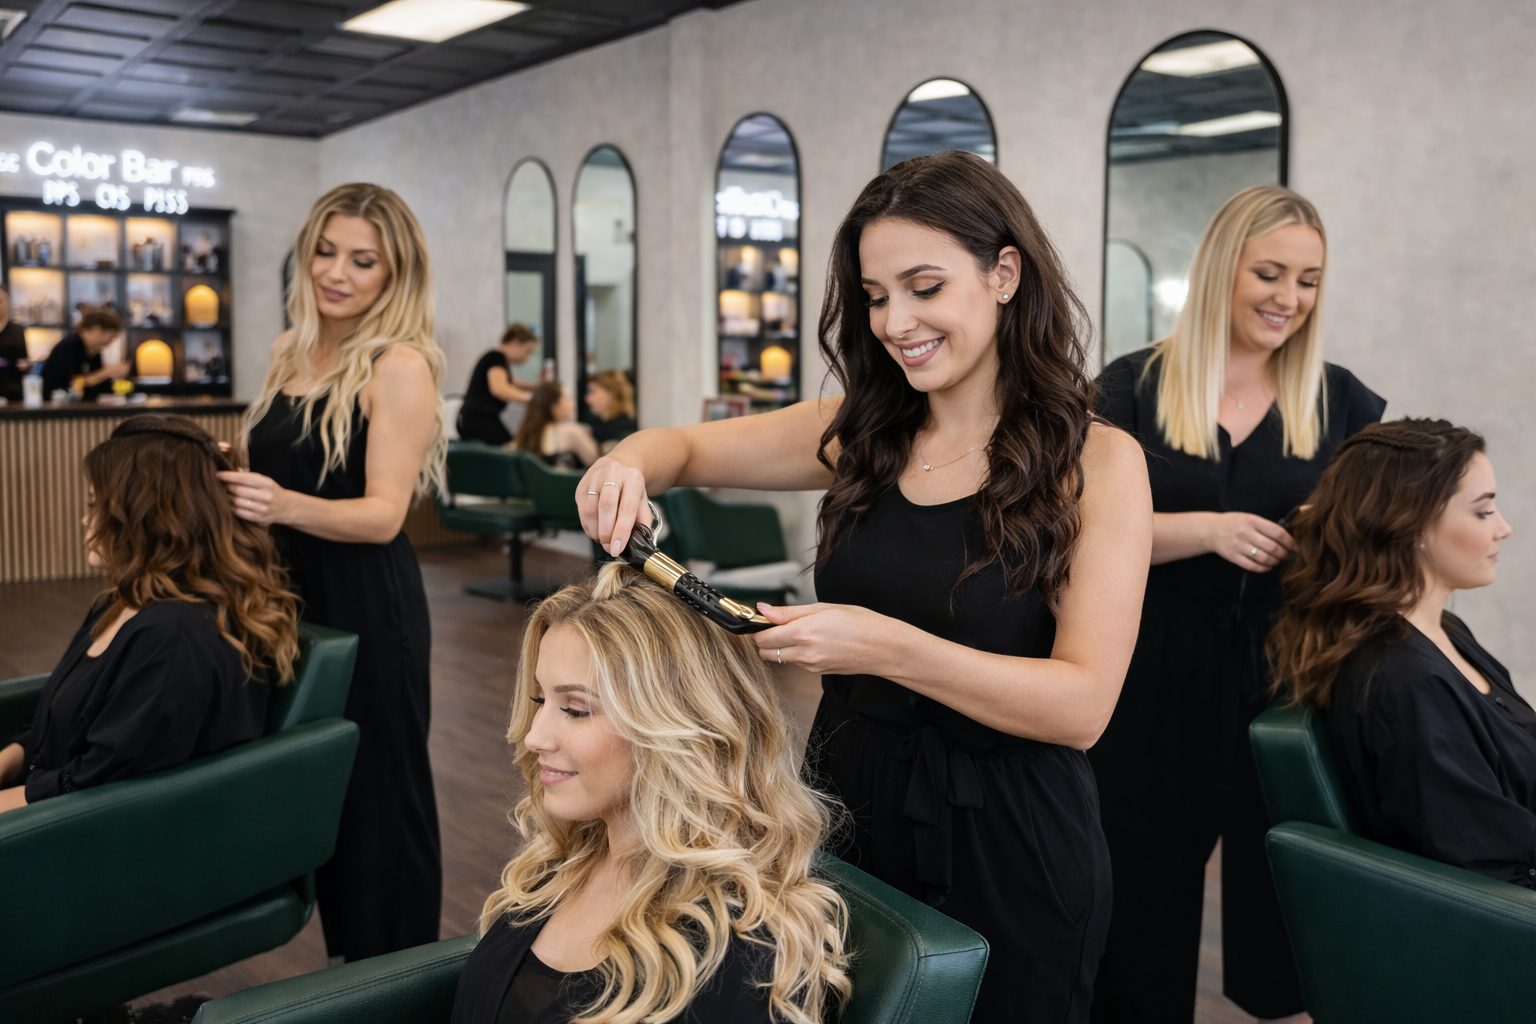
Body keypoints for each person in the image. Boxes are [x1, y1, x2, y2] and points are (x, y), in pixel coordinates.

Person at [576, 150, 1152, 1023]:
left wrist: (883, 645)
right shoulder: (863, 435)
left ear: (1004, 274)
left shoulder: (1099, 462)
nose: (895, 320)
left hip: (1011, 835)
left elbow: (1083, 706)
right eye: (876, 296)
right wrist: (625, 464)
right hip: (845, 802)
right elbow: (682, 448)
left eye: (924, 287)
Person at [1090, 185, 1386, 1023]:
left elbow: (1366, 550)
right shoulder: (1130, 390)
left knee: (1284, 895)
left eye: (1308, 280)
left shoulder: (1345, 403)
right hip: (1148, 675)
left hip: (1288, 679)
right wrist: (1205, 530)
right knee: (1142, 896)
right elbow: (1073, 530)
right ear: (1223, 268)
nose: (1288, 298)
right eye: (1269, 273)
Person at [451, 563, 850, 1024]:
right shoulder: (566, 865)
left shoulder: (740, 963)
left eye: (576, 709)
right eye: (541, 700)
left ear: (678, 728)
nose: (534, 736)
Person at [220, 182, 448, 962]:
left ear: (395, 274)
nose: (337, 273)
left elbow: (383, 514)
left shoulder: (398, 365)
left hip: (366, 601)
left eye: (363, 261)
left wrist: (279, 502)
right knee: (324, 787)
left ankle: (397, 974)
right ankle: (347, 965)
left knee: (382, 793)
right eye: (326, 251)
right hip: (292, 594)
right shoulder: (293, 350)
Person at [1270, 419, 1535, 886]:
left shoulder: (1443, 630)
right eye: (1483, 511)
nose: (1504, 529)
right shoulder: (1407, 681)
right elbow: (1493, 870)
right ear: (1411, 524)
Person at [0, 415, 299, 813]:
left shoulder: (172, 638)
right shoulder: (120, 602)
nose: (86, 519)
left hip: (81, 840)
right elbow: (52, 732)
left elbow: (95, 788)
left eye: (95, 504)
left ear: (145, 515)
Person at [458, 323, 539, 446]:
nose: (527, 357)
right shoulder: (497, 357)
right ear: (515, 343)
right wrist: (533, 399)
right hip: (480, 419)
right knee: (510, 449)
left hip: (472, 419)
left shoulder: (498, 360)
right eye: (527, 351)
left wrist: (542, 387)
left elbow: (516, 383)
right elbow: (499, 389)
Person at [39, 307, 130, 400]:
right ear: (97, 330)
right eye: (111, 337)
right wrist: (107, 372)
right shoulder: (69, 346)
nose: (109, 343)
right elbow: (73, 384)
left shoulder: (94, 351)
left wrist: (113, 377)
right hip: (56, 406)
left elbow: (96, 384)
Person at [515, 381, 598, 468]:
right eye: (567, 399)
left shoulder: (525, 435)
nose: (573, 404)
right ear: (554, 407)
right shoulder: (571, 431)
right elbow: (595, 462)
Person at [585, 369, 637, 451]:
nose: (587, 398)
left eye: (593, 392)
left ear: (610, 394)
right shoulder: (607, 425)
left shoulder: (623, 425)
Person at [0, 285, 31, 402]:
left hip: (13, 391)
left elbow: (24, 361)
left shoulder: (18, 331)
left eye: (1, 301)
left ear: (7, 304)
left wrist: (26, 365)